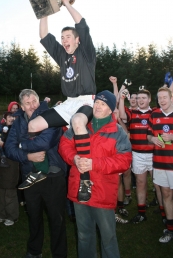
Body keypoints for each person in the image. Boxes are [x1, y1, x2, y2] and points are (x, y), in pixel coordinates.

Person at [27, 0, 96, 199]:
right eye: (62, 38)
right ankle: (40, 169)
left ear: (77, 40)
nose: (64, 40)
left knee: (77, 121)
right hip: (68, 103)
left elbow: (82, 23)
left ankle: (86, 181)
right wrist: (44, 13)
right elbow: (43, 36)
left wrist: (66, 3)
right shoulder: (62, 56)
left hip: (86, 101)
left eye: (68, 37)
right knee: (32, 125)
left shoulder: (87, 53)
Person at [59, 90, 132, 258]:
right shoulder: (82, 125)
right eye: (97, 102)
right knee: (84, 235)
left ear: (111, 109)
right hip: (79, 188)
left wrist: (94, 164)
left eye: (103, 104)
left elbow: (124, 160)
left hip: (103, 192)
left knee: (108, 237)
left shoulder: (117, 132)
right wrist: (74, 158)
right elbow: (64, 145)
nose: (98, 106)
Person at [5, 89, 67, 258]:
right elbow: (8, 148)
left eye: (34, 101)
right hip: (29, 177)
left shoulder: (50, 116)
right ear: (21, 106)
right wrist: (27, 156)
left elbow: (46, 142)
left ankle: (59, 254)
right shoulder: (18, 123)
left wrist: (21, 145)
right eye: (27, 103)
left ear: (39, 101)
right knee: (33, 216)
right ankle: (34, 251)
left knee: (57, 219)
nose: (32, 105)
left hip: (53, 176)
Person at [119, 88, 154, 223]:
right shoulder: (132, 113)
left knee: (160, 186)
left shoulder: (155, 113)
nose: (140, 100)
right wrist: (122, 99)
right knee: (140, 182)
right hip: (137, 154)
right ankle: (141, 213)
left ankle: (165, 214)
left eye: (143, 98)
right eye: (138, 98)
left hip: (154, 154)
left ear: (149, 99)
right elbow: (122, 115)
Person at [147, 86, 173, 243]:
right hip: (160, 162)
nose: (162, 100)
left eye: (164, 97)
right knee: (166, 195)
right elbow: (148, 134)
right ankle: (170, 229)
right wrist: (153, 139)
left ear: (171, 98)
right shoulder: (154, 114)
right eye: (159, 98)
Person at [0, 111, 19, 227]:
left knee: (9, 191)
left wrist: (3, 145)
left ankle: (12, 216)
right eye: (9, 117)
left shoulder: (18, 132)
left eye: (14, 117)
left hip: (11, 164)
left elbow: (17, 148)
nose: (11, 118)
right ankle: (2, 214)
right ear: (5, 119)